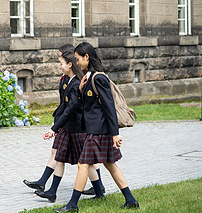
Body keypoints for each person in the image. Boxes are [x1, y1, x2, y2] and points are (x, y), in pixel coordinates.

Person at [55, 42, 139, 212]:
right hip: (95, 130)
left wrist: (115, 134)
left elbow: (108, 107)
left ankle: (72, 205)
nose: (76, 62)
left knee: (83, 165)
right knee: (110, 164)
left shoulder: (98, 77)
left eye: (78, 59)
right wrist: (80, 89)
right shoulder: (88, 77)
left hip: (99, 131)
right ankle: (131, 200)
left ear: (87, 57)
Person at [34, 48, 104, 203]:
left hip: (78, 130)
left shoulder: (76, 84)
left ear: (70, 64)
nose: (60, 66)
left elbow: (70, 110)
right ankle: (52, 191)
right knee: (59, 157)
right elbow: (64, 108)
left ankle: (99, 192)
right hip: (69, 129)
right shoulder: (69, 81)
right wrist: (56, 125)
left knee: (88, 163)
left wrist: (54, 128)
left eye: (61, 63)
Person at [23, 45, 73, 193]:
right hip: (64, 121)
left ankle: (98, 186)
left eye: (60, 57)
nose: (58, 61)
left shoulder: (73, 80)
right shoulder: (66, 78)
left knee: (87, 160)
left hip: (73, 124)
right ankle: (44, 184)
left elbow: (69, 105)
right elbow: (64, 104)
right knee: (56, 152)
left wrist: (56, 125)